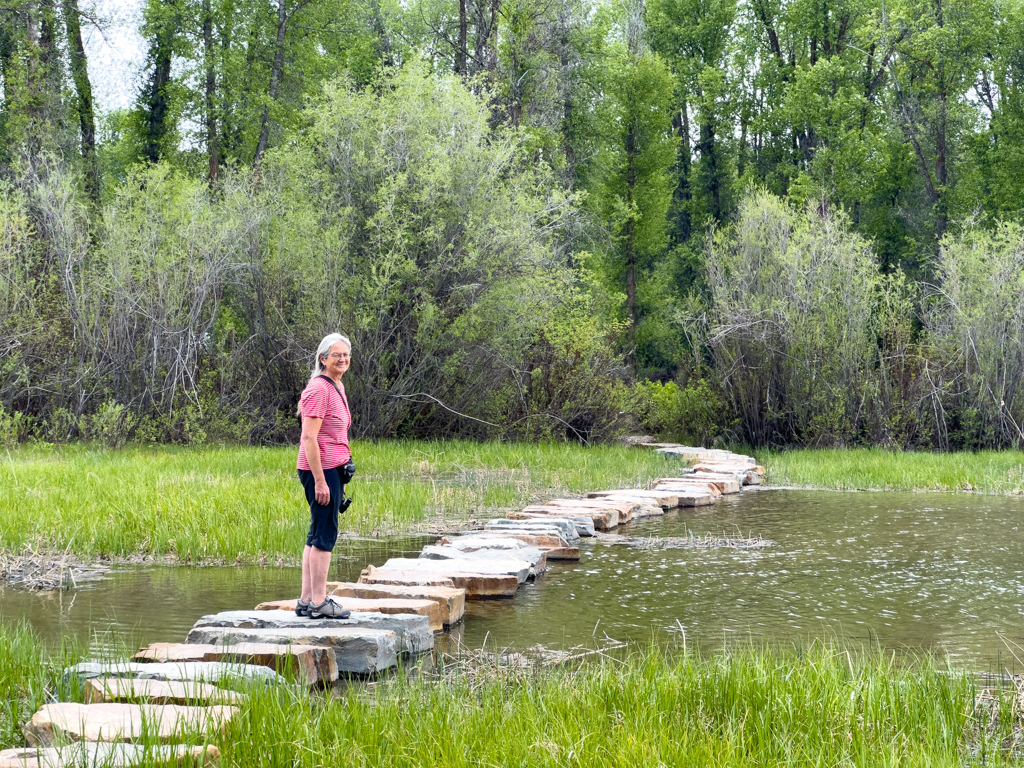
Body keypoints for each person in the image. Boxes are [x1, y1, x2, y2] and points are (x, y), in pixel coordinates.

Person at [295, 333, 355, 619]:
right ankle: (319, 602)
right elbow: (309, 438)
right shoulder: (319, 389)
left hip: (333, 469)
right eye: (336, 355)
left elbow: (335, 433)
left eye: (345, 355)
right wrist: (320, 480)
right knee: (325, 535)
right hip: (320, 470)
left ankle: (307, 599)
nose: (342, 359)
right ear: (323, 358)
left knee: (316, 532)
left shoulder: (337, 386)